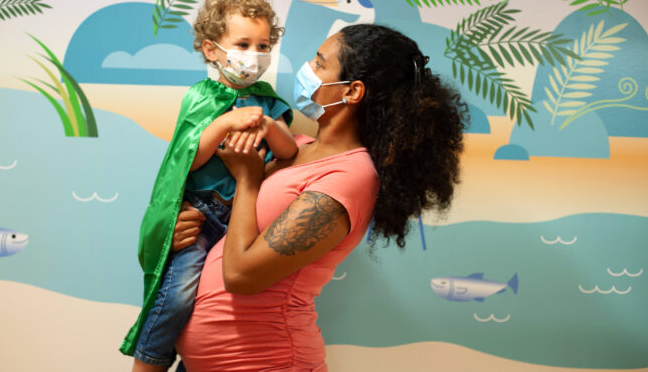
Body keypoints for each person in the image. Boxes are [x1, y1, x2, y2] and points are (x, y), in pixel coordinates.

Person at [170, 23, 469, 371]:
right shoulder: (295, 146)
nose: (306, 71)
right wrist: (192, 228)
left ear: (353, 91)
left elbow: (241, 276)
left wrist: (248, 180)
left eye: (319, 63)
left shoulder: (350, 177)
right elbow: (239, 232)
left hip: (270, 362)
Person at [120, 0, 298, 372]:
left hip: (243, 221)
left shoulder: (267, 100)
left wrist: (267, 124)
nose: (254, 54)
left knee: (215, 307)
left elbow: (287, 152)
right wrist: (225, 123)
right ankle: (149, 362)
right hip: (201, 214)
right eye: (243, 44)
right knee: (179, 295)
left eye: (263, 45)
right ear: (212, 50)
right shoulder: (201, 96)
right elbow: (188, 157)